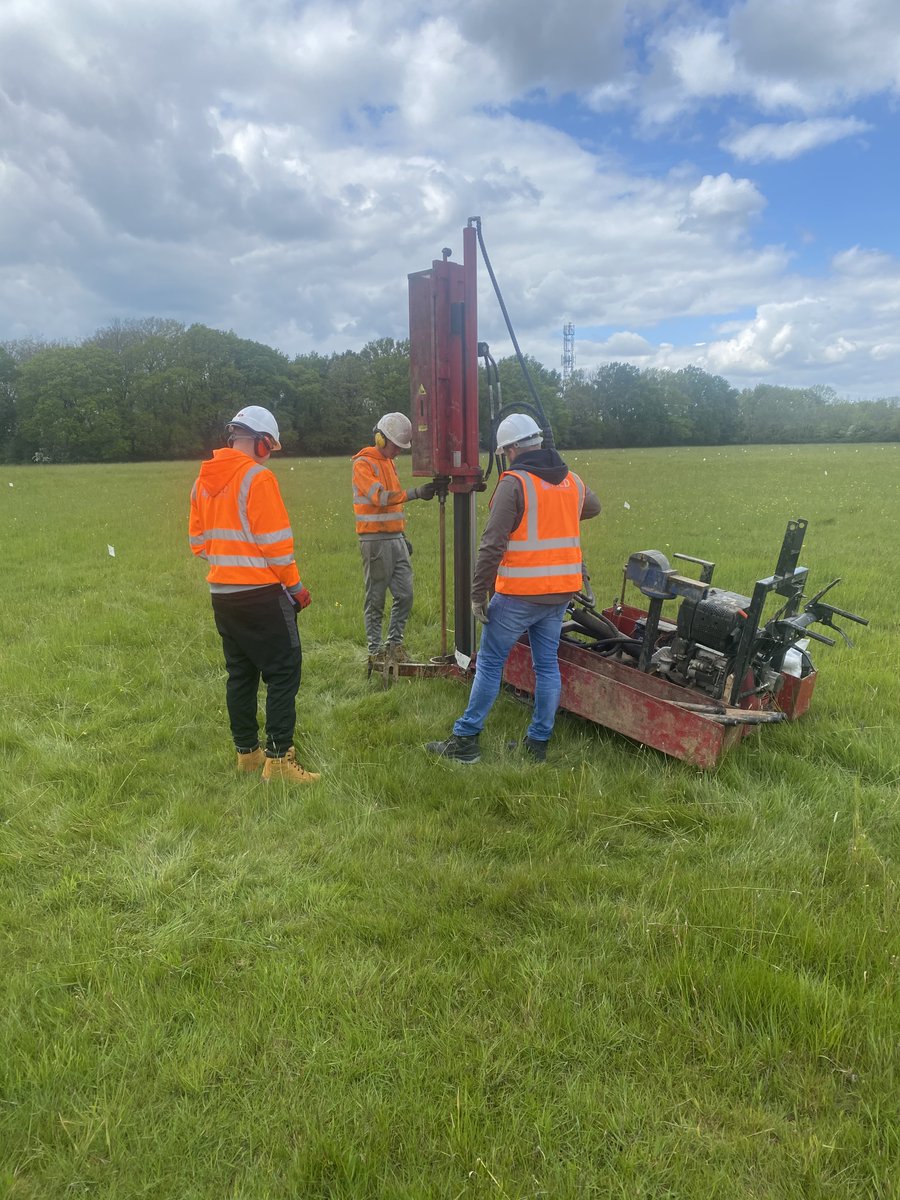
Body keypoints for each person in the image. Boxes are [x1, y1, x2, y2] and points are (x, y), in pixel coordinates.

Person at [426, 413, 601, 764]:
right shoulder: (572, 481)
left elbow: (491, 544)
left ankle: (466, 740)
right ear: (538, 441)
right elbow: (593, 507)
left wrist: (477, 594)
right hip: (559, 594)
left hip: (520, 594)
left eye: (505, 451)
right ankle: (537, 745)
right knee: (547, 665)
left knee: (490, 663)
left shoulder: (515, 483)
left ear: (511, 449)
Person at [189, 405, 320, 785]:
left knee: (241, 673)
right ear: (261, 443)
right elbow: (277, 545)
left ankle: (247, 753)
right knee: (283, 671)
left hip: (222, 595)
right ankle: (279, 762)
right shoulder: (257, 478)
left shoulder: (202, 481)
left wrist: (230, 565)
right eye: (270, 447)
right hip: (262, 595)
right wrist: (295, 586)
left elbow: (198, 543)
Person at [352, 412, 437, 665]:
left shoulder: (388, 461)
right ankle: (375, 651)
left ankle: (394, 645)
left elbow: (393, 508)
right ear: (379, 438)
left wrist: (402, 534)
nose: (399, 451)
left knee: (405, 594)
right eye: (396, 446)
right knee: (376, 598)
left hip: (396, 538)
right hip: (375, 542)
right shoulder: (363, 464)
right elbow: (381, 498)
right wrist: (416, 493)